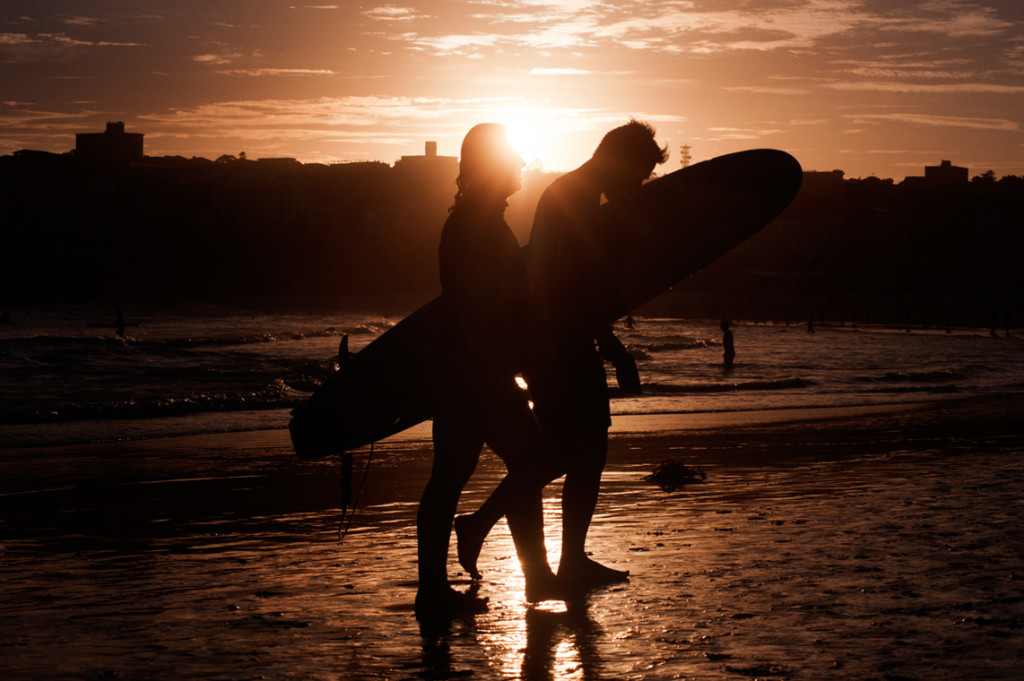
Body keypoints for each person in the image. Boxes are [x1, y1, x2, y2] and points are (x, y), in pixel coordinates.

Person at [454, 119, 667, 593]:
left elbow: (580, 284)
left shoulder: (576, 195)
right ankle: (486, 526)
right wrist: (611, 348)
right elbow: (567, 287)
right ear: (620, 160)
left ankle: (564, 558)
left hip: (561, 341)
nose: (637, 186)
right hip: (557, 345)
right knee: (567, 452)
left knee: (581, 451)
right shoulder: (575, 200)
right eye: (637, 175)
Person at [417, 123, 559, 620]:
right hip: (476, 371)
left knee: (458, 475)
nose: (520, 163)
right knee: (531, 459)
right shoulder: (475, 224)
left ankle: (440, 588)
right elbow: (474, 305)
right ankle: (519, 571)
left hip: (468, 369)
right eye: (510, 156)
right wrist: (495, 371)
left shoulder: (480, 220)